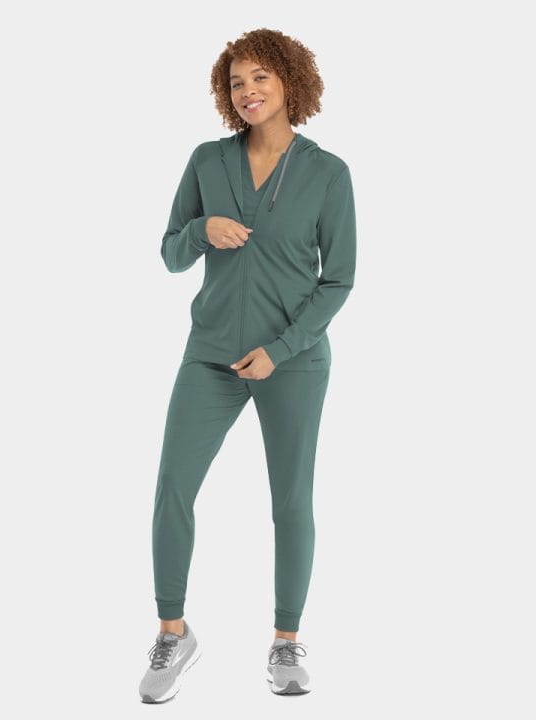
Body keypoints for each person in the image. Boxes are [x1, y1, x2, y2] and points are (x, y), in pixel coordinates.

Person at [139, 27, 357, 702]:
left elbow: (339, 280)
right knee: (173, 486)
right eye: (236, 82)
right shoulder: (207, 161)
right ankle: (173, 633)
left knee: (291, 500)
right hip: (208, 356)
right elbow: (170, 253)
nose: (248, 90)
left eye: (260, 76)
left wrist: (282, 349)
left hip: (292, 361)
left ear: (290, 81)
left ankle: (286, 643)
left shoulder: (327, 173)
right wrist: (200, 231)